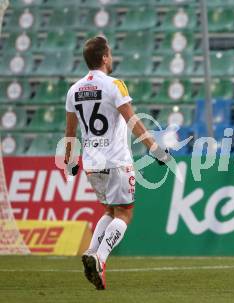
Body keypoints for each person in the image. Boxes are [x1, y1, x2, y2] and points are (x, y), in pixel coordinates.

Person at [64, 36, 170, 290]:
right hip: (116, 160)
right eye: (109, 54)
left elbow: (70, 133)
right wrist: (155, 150)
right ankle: (100, 258)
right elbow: (133, 121)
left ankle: (91, 251)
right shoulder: (115, 86)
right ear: (103, 58)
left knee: (110, 211)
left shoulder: (74, 90)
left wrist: (69, 161)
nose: (111, 58)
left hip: (92, 162)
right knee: (125, 213)